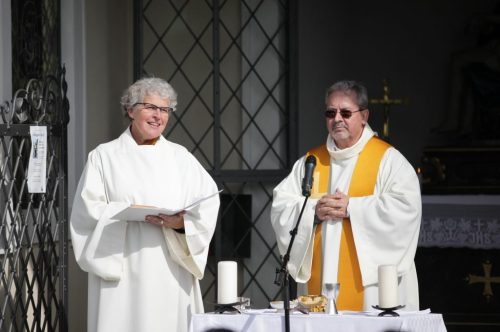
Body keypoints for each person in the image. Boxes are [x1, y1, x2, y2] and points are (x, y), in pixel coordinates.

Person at [70, 77, 220, 332]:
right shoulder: (103, 157)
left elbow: (207, 204)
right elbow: (86, 214)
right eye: (150, 107)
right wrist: (123, 213)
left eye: (164, 110)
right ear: (130, 110)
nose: (158, 116)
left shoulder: (180, 158)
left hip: (169, 270)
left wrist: (181, 223)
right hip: (122, 270)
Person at [270, 80, 421, 311]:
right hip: (319, 283)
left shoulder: (388, 160)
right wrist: (314, 210)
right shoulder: (311, 161)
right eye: (331, 112)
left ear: (364, 116)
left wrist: (352, 208)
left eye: (346, 112)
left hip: (372, 291)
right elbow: (282, 206)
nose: (337, 118)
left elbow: (406, 209)